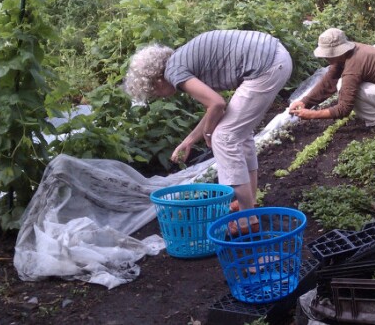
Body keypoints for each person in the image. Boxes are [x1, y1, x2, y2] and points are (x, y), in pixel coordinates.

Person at [124, 30, 292, 236]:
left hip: (266, 66)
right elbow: (215, 105)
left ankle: (248, 219)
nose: (160, 97)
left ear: (158, 82)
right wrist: (190, 140)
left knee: (225, 136)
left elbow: (217, 104)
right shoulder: (183, 61)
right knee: (239, 133)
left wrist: (210, 133)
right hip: (274, 56)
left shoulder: (174, 72)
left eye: (154, 93)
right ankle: (247, 203)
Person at [289, 28, 375, 129]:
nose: (325, 58)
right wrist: (305, 102)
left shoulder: (353, 66)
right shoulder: (350, 52)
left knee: (343, 85)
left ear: (336, 51)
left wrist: (312, 115)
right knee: (341, 83)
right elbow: (329, 80)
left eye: (327, 54)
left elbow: (344, 109)